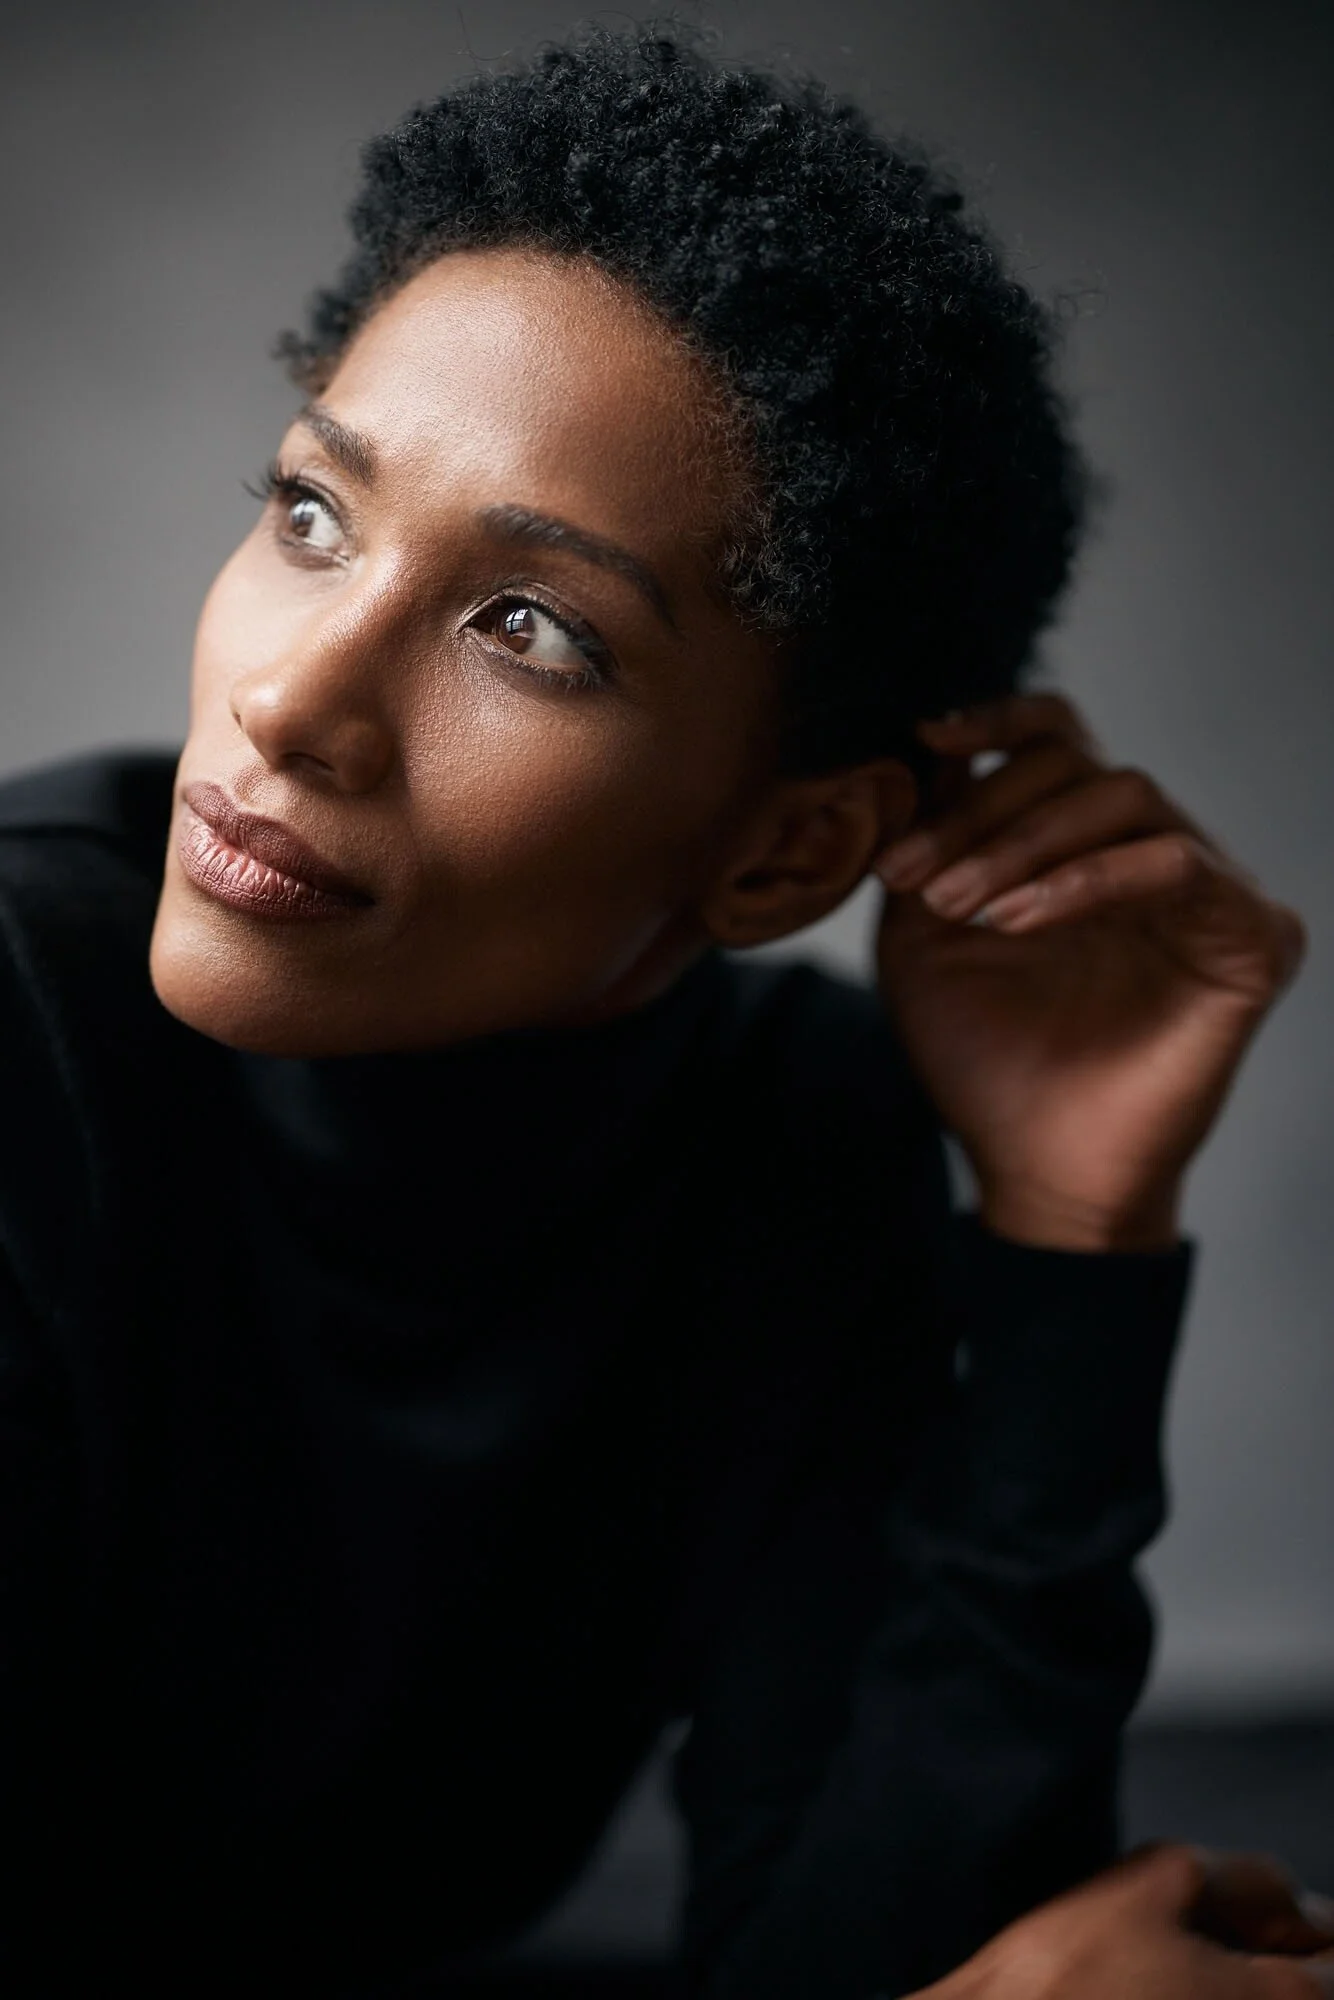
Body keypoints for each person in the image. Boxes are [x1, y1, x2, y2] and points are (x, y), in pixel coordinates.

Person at [0, 23, 1317, 1999]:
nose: (286, 698)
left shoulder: (791, 1138)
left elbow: (862, 1947)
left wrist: (1069, 1232)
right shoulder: (24, 1031)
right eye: (309, 515)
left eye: (527, 625)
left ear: (785, 863)